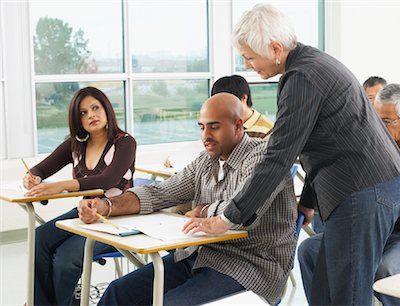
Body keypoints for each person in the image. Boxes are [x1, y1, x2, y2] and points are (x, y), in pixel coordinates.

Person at [188, 4, 400, 305]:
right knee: (325, 292)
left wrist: (228, 218)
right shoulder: (307, 65)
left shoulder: (303, 76)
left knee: (348, 295)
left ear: (276, 48)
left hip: (364, 189)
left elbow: (278, 157)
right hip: (359, 186)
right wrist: (307, 203)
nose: (247, 63)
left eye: (250, 56)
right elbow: (324, 146)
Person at [78, 93, 297, 306]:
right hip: (201, 255)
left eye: (215, 126)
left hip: (251, 266)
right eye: (202, 127)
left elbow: (243, 208)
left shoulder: (263, 157)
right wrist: (107, 206)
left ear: (238, 125)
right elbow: (161, 193)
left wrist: (203, 211)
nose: (206, 135)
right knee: (118, 293)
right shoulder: (206, 160)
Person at [298, 84, 400, 305]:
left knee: (386, 270)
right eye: (375, 120)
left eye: (386, 122)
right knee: (309, 250)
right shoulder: (367, 146)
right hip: (367, 228)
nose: (379, 127)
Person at [23, 87, 136, 305]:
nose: (91, 115)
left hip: (117, 217)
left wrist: (61, 186)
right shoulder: (75, 144)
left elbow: (107, 180)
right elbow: (40, 169)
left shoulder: (125, 142)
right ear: (77, 120)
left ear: (106, 109)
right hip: (85, 215)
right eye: (83, 113)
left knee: (66, 258)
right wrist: (32, 177)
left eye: (95, 108)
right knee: (40, 238)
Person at [164, 74, 273, 169]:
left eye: (226, 102)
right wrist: (177, 159)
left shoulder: (268, 131)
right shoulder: (218, 126)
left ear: (244, 98)